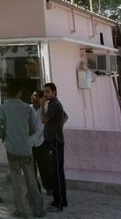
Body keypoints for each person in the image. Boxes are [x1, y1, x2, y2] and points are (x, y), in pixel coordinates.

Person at [0, 82, 45, 218]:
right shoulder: (26, 108)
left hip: (11, 148)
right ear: (19, 93)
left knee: (16, 181)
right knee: (31, 180)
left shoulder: (3, 108)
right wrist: (26, 134)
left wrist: (4, 136)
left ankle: (20, 211)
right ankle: (38, 209)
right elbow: (34, 127)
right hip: (26, 148)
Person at [42, 82, 67, 212]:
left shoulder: (54, 104)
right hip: (54, 142)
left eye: (47, 92)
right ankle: (62, 200)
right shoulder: (53, 104)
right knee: (57, 173)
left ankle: (58, 203)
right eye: (44, 92)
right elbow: (65, 117)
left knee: (56, 174)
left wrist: (41, 105)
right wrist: (57, 126)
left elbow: (44, 120)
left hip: (55, 143)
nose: (45, 94)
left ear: (54, 92)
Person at [31, 90, 53, 195]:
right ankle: (36, 190)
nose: (33, 98)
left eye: (35, 96)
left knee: (45, 168)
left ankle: (48, 187)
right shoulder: (28, 109)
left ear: (40, 98)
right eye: (33, 96)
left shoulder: (46, 109)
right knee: (31, 169)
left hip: (42, 142)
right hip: (30, 143)